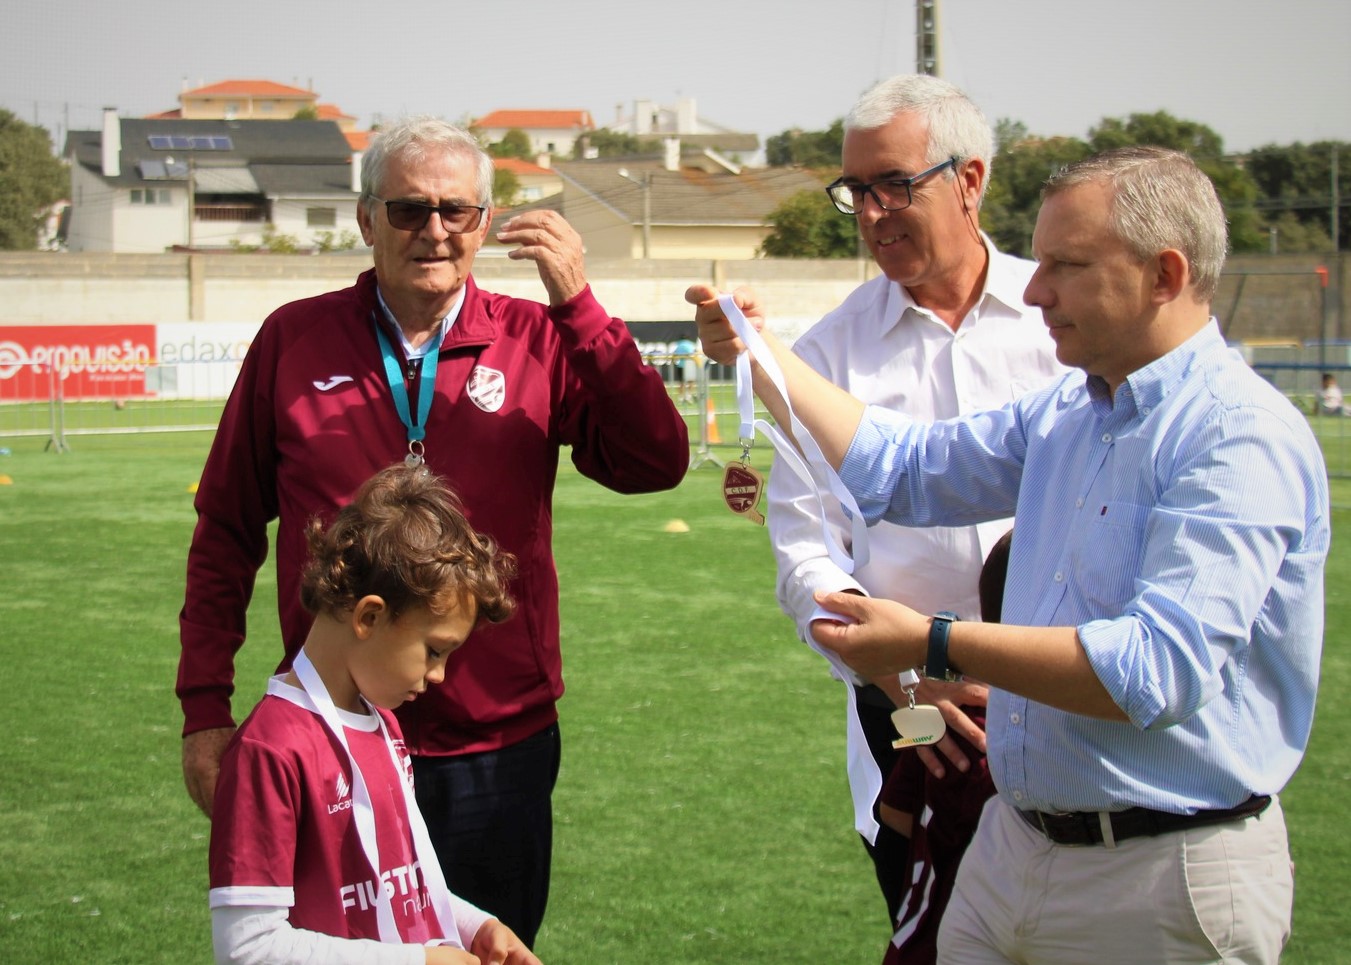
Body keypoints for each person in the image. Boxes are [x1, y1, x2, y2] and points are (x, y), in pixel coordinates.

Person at [690, 146, 1329, 964]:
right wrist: (759, 351)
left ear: (1163, 275)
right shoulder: (1072, 406)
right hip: (1015, 847)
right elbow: (906, 468)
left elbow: (1151, 670)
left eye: (1065, 264)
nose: (1033, 289)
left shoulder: (1236, 434)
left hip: (1162, 877)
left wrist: (931, 639)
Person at [180, 115, 690, 948]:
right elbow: (224, 530)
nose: (435, 230)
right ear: (365, 219)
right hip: (332, 738)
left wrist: (580, 307)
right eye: (410, 208)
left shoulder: (537, 338)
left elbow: (655, 460)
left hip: (496, 742)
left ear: (485, 223)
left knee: (489, 947)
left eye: (457, 210)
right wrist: (204, 711)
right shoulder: (292, 340)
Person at [765, 73, 1063, 921]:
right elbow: (803, 556)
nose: (867, 213)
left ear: (970, 180)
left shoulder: (1066, 320)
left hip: (1075, 713)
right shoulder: (821, 355)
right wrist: (906, 677)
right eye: (854, 190)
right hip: (914, 728)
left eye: (892, 184)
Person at [209, 464, 539, 965]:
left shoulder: (383, 723)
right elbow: (248, 947)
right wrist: (420, 962)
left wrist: (476, 927)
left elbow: (398, 886)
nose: (439, 677)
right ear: (369, 616)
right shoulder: (271, 748)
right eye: (433, 650)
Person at [879, 529, 1007, 965]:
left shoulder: (947, 711)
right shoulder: (1034, 727)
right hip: (976, 929)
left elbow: (893, 812)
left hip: (923, 924)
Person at [672, 335, 698, 403]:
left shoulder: (679, 345)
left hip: (680, 365)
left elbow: (675, 354)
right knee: (691, 381)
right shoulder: (690, 344)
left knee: (681, 382)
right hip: (689, 365)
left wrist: (674, 361)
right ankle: (688, 395)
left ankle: (681, 397)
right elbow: (694, 353)